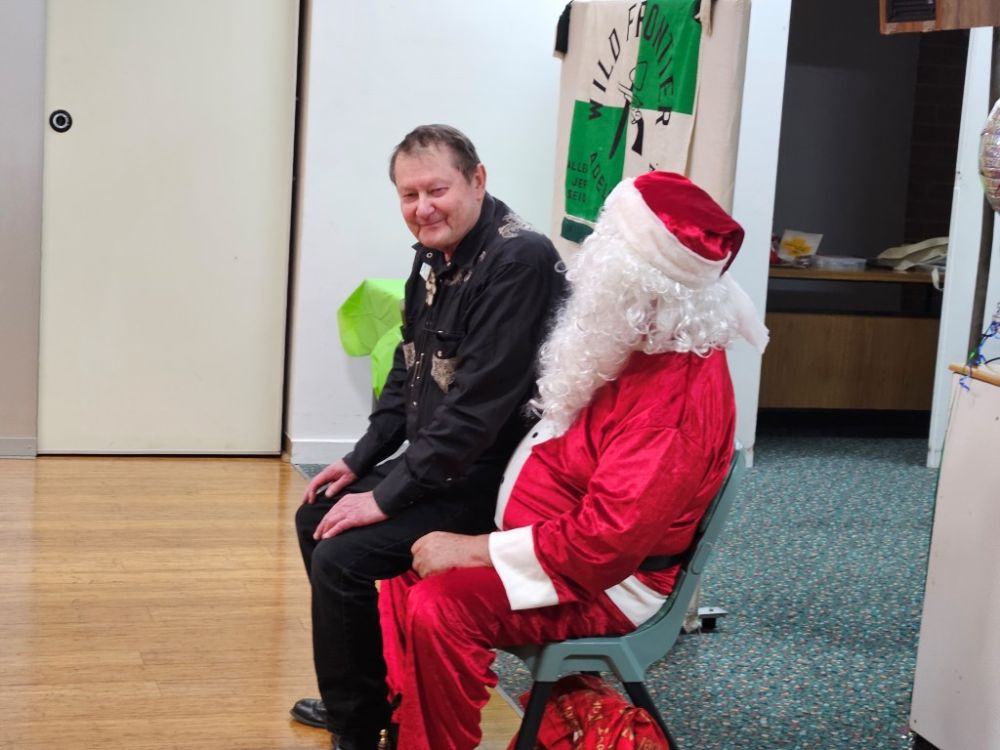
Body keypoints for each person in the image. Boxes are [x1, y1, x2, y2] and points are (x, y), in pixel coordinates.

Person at [377, 171, 769, 750]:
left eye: (605, 250)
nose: (586, 265)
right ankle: (407, 722)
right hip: (555, 543)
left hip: (611, 582)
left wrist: (472, 549)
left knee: (441, 607)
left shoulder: (674, 402)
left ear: (637, 277)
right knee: (392, 558)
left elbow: (604, 545)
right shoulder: (640, 336)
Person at [292, 124, 565, 750]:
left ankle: (356, 729)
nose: (423, 208)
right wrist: (359, 461)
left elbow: (476, 414)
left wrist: (384, 499)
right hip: (441, 463)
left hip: (492, 479)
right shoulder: (435, 257)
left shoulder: (518, 260)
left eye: (436, 189)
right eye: (408, 195)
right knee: (317, 516)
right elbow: (406, 370)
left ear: (477, 179)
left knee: (342, 557)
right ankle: (366, 696)